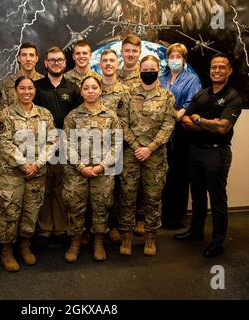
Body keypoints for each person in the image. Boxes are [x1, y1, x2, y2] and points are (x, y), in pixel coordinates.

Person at [174, 54, 242, 258]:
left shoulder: (233, 97)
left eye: (222, 67)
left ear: (229, 71)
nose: (217, 70)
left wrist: (198, 120)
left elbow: (222, 128)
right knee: (197, 195)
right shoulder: (202, 93)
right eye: (214, 67)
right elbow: (185, 119)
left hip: (216, 152)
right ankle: (196, 231)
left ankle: (217, 241)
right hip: (195, 151)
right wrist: (204, 123)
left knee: (217, 199)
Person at [0, 76, 57, 271]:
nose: (27, 92)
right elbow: (4, 143)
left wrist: (36, 164)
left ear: (35, 91)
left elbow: (53, 140)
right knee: (10, 213)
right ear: (15, 90)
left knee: (31, 212)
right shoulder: (5, 115)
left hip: (37, 173)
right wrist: (24, 164)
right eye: (22, 88)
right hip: (12, 175)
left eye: (30, 88)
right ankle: (7, 251)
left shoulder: (45, 115)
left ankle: (25, 245)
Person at [119, 55, 177, 256]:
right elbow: (122, 123)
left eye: (152, 68)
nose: (149, 71)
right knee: (127, 196)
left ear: (158, 70)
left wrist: (149, 148)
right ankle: (126, 236)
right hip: (131, 154)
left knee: (153, 198)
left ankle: (150, 238)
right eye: (145, 68)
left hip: (156, 156)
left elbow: (168, 125)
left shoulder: (167, 97)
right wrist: (136, 146)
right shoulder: (128, 95)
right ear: (139, 70)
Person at [63, 76, 121, 262]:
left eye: (94, 87)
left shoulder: (111, 116)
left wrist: (101, 166)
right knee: (75, 207)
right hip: (77, 171)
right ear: (81, 92)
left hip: (102, 171)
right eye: (86, 88)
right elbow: (67, 145)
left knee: (101, 206)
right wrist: (81, 167)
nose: (90, 91)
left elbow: (116, 144)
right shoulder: (72, 116)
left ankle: (98, 242)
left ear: (100, 90)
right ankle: (75, 243)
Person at [33, 47, 83, 246]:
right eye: (52, 60)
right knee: (44, 188)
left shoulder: (73, 88)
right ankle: (44, 229)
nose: (56, 63)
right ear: (45, 63)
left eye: (60, 60)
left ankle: (62, 228)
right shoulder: (36, 87)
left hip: (66, 147)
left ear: (65, 63)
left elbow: (79, 118)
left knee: (62, 189)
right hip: (42, 147)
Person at [159, 43, 202, 230]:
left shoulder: (191, 79)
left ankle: (176, 216)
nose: (174, 59)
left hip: (180, 132)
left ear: (184, 59)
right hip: (161, 133)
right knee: (163, 175)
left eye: (178, 56)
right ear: (167, 59)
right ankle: (161, 214)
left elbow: (191, 102)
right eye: (171, 56)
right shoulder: (162, 78)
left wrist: (176, 116)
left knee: (179, 174)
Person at [98, 48, 132, 243]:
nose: (109, 64)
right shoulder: (93, 87)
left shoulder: (126, 92)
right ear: (100, 65)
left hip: (121, 148)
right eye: (105, 61)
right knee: (99, 191)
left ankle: (113, 225)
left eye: (112, 61)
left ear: (117, 64)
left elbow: (129, 120)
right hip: (97, 150)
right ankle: (94, 228)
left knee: (118, 189)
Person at [117, 34, 146, 237]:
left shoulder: (146, 75)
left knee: (142, 184)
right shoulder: (112, 74)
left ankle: (141, 219)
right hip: (116, 139)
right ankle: (118, 222)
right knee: (118, 184)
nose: (130, 54)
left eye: (134, 51)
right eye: (127, 50)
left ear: (139, 52)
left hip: (138, 140)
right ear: (122, 51)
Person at [0, 42, 44, 111]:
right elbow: (3, 112)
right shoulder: (8, 83)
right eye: (24, 55)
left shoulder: (44, 82)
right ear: (18, 58)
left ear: (36, 59)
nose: (28, 59)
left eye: (31, 55)